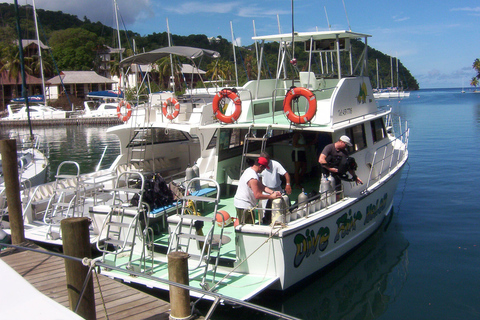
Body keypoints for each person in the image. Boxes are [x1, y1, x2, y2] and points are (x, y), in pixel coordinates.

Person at [234, 156, 282, 224]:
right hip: (244, 205)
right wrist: (271, 197)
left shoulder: (250, 170)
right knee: (248, 227)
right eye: (264, 168)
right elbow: (257, 195)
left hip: (242, 203)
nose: (264, 170)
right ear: (260, 166)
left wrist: (273, 192)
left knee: (244, 223)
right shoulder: (253, 178)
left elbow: (261, 186)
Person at [258, 152, 292, 224]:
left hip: (277, 189)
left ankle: (281, 222)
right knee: (265, 210)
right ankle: (267, 222)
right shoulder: (260, 165)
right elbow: (260, 177)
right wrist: (260, 190)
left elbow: (286, 174)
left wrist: (288, 184)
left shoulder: (275, 164)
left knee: (280, 207)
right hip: (266, 190)